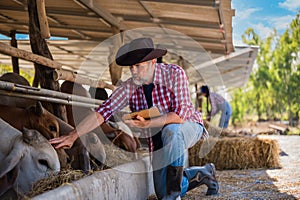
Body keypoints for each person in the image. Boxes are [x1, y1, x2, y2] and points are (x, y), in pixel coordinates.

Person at [50, 38, 219, 200]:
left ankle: (174, 195)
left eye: (138, 66)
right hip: (157, 137)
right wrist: (72, 136)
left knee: (171, 130)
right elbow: (103, 112)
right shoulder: (130, 86)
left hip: (187, 126)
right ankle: (203, 174)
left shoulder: (175, 74)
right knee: (161, 191)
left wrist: (148, 123)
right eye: (131, 67)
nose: (134, 71)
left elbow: (179, 116)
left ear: (153, 62)